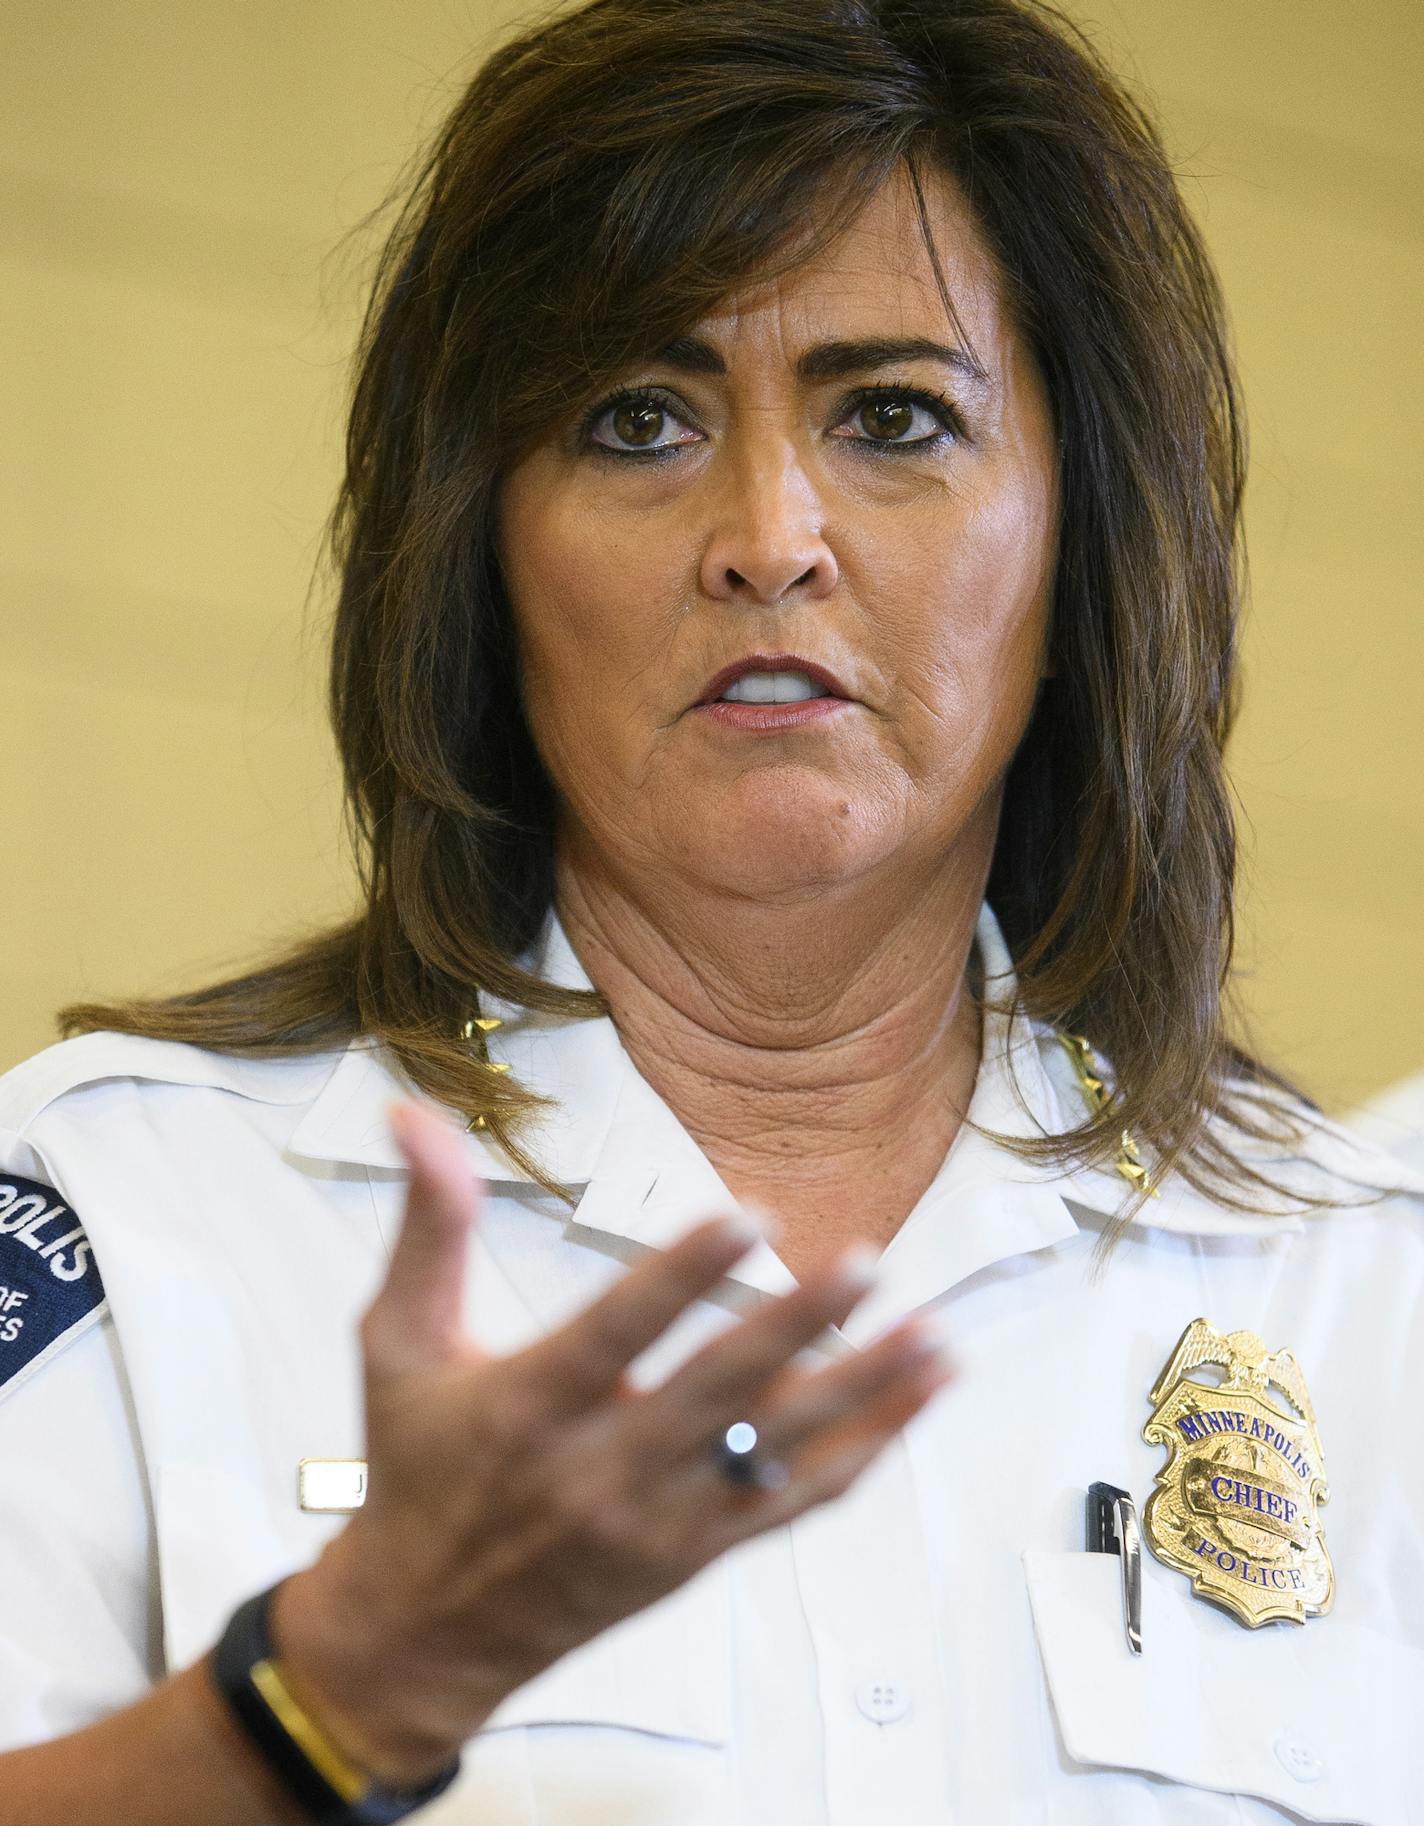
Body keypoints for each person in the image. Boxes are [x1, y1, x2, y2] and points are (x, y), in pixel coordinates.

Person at [1, 0, 1420, 1819]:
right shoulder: (128, 1219)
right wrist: (333, 1696)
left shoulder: (1361, 1278)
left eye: (895, 414)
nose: (768, 529)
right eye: (639, 418)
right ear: (481, 554)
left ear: (1084, 544)